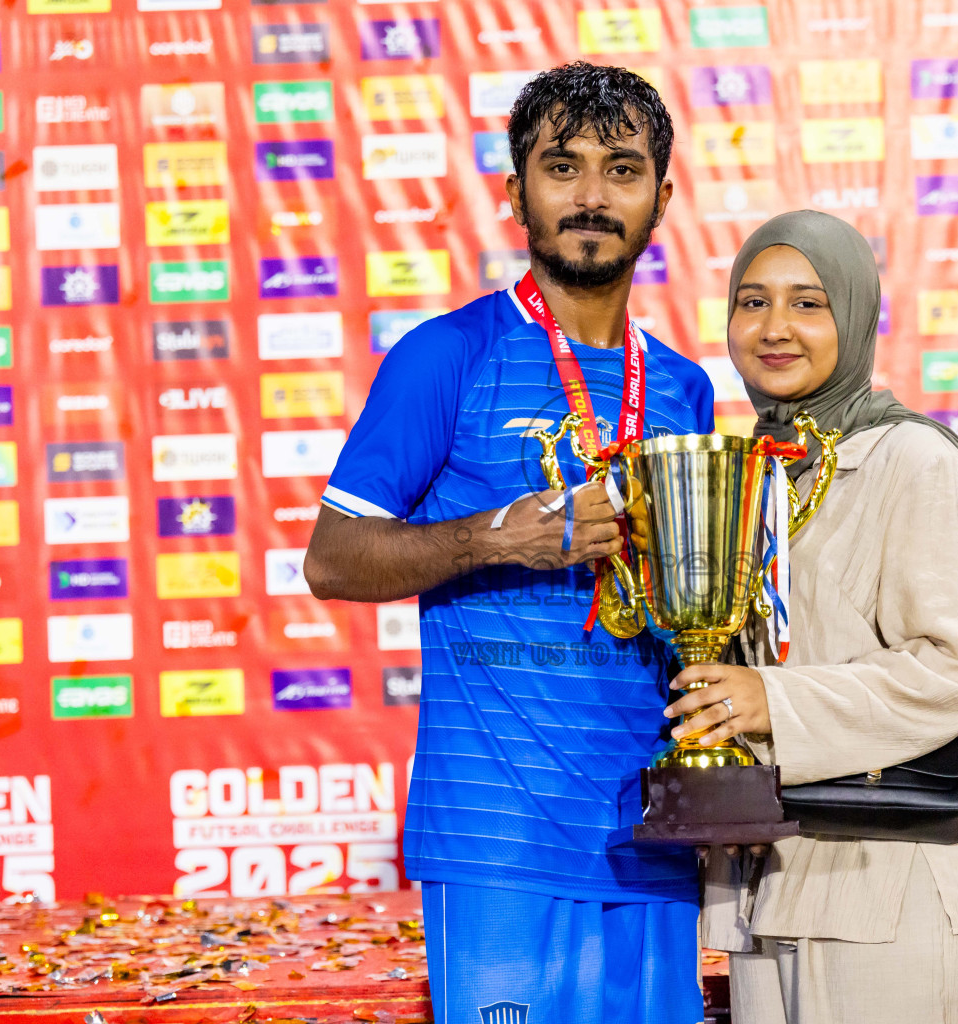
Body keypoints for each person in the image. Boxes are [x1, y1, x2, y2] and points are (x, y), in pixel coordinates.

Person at [303, 63, 713, 1024]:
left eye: (621, 169)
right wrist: (496, 540)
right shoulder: (447, 356)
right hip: (498, 839)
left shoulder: (686, 389)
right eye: (561, 167)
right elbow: (333, 559)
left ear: (662, 194)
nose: (590, 196)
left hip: (652, 832)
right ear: (515, 191)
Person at [664, 210, 958, 1023]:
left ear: (857, 316)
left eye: (808, 303)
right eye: (752, 302)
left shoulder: (914, 459)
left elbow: (953, 667)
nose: (774, 328)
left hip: (901, 890)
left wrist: (771, 702)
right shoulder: (757, 473)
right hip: (781, 881)